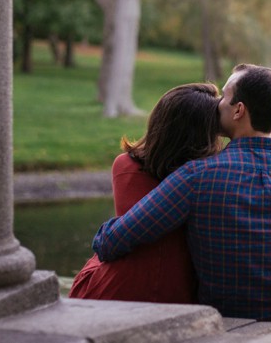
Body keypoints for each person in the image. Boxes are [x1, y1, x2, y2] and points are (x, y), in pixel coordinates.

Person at [93, 64, 271, 324]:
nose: (216, 104)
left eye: (224, 96)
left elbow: (113, 242)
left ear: (238, 110)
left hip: (232, 324)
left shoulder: (197, 176)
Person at [69, 82, 222, 303]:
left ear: (160, 120)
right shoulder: (211, 177)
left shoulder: (126, 166)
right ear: (209, 132)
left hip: (111, 290)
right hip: (177, 294)